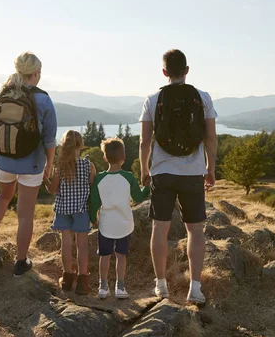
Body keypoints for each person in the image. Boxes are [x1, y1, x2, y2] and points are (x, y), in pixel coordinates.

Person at [139, 49, 217, 304]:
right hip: (192, 173)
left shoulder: (153, 99)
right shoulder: (202, 97)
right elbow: (210, 138)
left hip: (162, 172)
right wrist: (210, 168)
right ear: (186, 71)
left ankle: (161, 286)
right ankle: (195, 288)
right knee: (195, 230)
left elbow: (144, 141)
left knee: (159, 228)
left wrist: (144, 169)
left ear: (164, 72)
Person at [0, 52, 57, 278]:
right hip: (31, 166)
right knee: (25, 214)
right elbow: (49, 140)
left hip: (3, 161)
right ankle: (21, 263)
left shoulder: (3, 92)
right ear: (36, 74)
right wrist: (49, 166)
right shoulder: (43, 100)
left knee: (3, 197)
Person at [88, 137, 150, 299]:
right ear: (123, 158)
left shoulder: (99, 179)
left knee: (104, 256)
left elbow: (94, 203)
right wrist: (147, 187)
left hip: (106, 224)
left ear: (105, 158)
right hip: (124, 224)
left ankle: (103, 287)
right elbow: (138, 197)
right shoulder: (129, 177)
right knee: (121, 256)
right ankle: (120, 288)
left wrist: (93, 219)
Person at [44, 130, 96, 294]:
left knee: (66, 244)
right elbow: (92, 188)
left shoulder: (59, 167)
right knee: (82, 246)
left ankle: (66, 280)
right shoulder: (89, 166)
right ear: (80, 145)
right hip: (81, 209)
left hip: (63, 209)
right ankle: (82, 282)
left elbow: (53, 190)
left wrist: (45, 179)